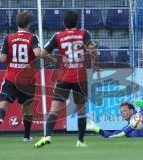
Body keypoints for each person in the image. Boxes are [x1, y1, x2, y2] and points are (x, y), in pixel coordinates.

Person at [34, 10, 100, 148]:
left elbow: (42, 53)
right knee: (81, 110)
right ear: (77, 22)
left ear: (64, 23)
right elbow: (92, 50)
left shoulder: (58, 36)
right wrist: (96, 66)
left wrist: (52, 58)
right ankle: (80, 141)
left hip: (63, 77)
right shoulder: (84, 34)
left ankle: (47, 136)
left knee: (54, 109)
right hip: (80, 78)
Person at [0, 11, 42, 142]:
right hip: (27, 79)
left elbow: (2, 59)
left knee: (3, 104)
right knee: (27, 108)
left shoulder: (9, 38)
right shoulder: (32, 37)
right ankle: (27, 136)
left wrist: (13, 60)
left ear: (17, 23)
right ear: (29, 24)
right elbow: (38, 53)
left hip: (11, 77)